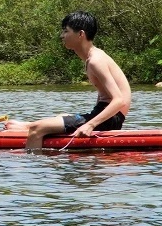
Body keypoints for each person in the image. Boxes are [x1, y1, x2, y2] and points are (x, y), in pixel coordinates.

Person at [23, 11, 133, 149]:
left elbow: (119, 100)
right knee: (60, 116)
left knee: (36, 129)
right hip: (107, 115)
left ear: (80, 34)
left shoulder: (96, 61)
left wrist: (90, 125)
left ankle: (32, 167)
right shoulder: (92, 58)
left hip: (111, 119)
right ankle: (23, 128)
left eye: (66, 31)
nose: (62, 36)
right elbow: (103, 95)